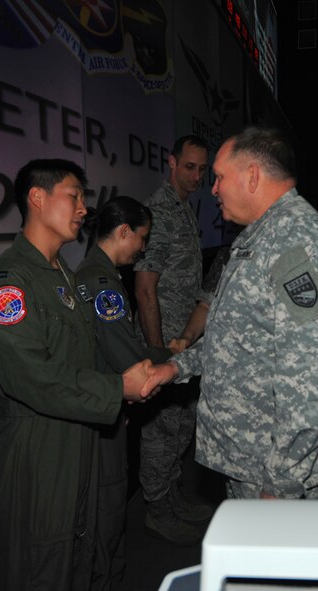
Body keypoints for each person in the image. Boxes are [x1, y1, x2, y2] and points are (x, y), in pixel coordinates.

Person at [0, 159, 155, 591]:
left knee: (82, 560)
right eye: (74, 196)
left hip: (79, 439)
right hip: (39, 451)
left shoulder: (63, 277)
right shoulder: (8, 284)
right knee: (43, 567)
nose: (84, 209)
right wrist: (115, 388)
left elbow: (85, 357)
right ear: (37, 197)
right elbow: (33, 377)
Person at [141, 126, 318, 500]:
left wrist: (281, 483)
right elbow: (237, 337)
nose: (213, 188)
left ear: (252, 175)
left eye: (219, 177)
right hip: (254, 462)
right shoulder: (262, 238)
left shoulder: (295, 243)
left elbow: (312, 373)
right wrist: (175, 367)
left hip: (283, 477)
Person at [75, 196, 171, 589]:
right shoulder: (101, 283)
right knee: (108, 512)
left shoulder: (101, 276)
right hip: (103, 417)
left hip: (104, 410)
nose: (143, 248)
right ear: (124, 231)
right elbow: (127, 359)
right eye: (141, 238)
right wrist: (172, 362)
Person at [134, 134, 214, 546]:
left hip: (185, 343)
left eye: (202, 169)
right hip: (165, 343)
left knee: (182, 424)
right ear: (171, 162)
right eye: (189, 167)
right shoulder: (161, 210)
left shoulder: (183, 208)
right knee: (162, 430)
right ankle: (157, 509)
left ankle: (174, 495)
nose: (197, 176)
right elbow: (146, 287)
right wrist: (155, 350)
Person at [168, 245, 231, 354]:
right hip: (222, 354)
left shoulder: (268, 255)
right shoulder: (229, 254)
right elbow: (206, 305)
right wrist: (187, 338)